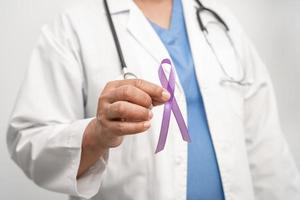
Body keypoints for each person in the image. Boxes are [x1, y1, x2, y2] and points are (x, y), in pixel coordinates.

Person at [6, 0, 300, 199]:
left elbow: (266, 150)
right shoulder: (74, 28)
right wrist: (96, 134)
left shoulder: (222, 24)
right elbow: (28, 137)